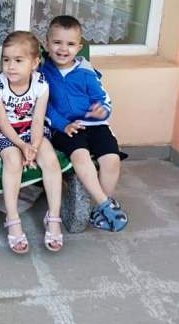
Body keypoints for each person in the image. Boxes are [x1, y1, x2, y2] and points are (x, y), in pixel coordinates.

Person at [39, 15, 128, 232]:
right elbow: (44, 107)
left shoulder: (86, 71)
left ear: (78, 47)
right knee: (80, 155)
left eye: (70, 44)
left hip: (95, 125)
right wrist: (62, 125)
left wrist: (102, 110)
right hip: (65, 127)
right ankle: (106, 205)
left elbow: (103, 98)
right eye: (57, 42)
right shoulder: (42, 74)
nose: (63, 49)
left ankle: (100, 208)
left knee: (112, 159)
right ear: (47, 44)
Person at [0, 31, 64, 253]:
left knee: (50, 160)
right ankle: (13, 219)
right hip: (5, 132)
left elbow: (38, 119)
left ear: (34, 62)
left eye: (18, 60)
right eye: (6, 60)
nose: (10, 66)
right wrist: (22, 147)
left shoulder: (41, 84)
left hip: (32, 130)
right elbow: (3, 123)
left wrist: (34, 146)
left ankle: (53, 216)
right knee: (12, 161)